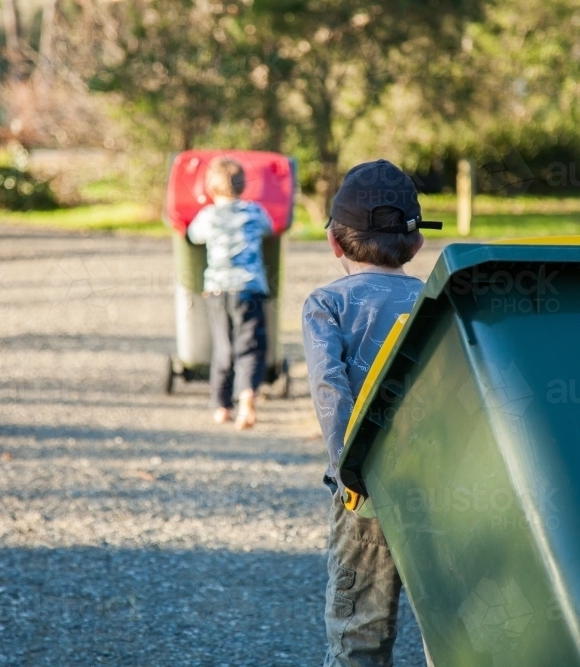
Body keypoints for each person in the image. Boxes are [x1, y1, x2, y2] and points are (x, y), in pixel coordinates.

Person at [302, 160, 441, 666]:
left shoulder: (327, 304)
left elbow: (329, 388)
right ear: (418, 244)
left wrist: (348, 468)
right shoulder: (437, 302)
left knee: (359, 627)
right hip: (443, 486)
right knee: (448, 627)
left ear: (335, 242)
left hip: (367, 492)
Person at [187, 157, 273, 430]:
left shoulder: (208, 216)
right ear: (243, 185)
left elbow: (192, 235)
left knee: (223, 346)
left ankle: (221, 406)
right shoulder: (254, 213)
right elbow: (271, 228)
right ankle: (247, 398)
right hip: (249, 288)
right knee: (250, 347)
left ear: (211, 186)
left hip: (217, 290)